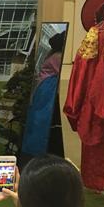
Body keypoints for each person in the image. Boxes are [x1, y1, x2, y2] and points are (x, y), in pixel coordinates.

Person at [21, 31, 67, 159]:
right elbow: (62, 72)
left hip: (43, 87)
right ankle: (39, 148)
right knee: (43, 119)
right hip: (49, 88)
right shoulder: (58, 57)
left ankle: (34, 148)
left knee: (38, 117)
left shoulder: (51, 54)